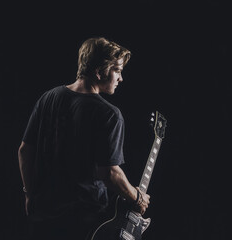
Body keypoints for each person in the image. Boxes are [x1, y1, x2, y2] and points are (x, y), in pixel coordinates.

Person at [18, 37, 150, 240]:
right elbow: (110, 174)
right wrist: (137, 196)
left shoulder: (48, 97)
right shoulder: (109, 114)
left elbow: (24, 151)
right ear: (99, 71)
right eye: (117, 70)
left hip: (43, 216)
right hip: (83, 222)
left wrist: (29, 194)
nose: (121, 78)